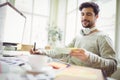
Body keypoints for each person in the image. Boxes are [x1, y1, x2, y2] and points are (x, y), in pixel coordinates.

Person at [30, 2, 117, 77]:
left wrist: (89, 57)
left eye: (89, 14)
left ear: (97, 16)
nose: (84, 18)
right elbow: (62, 51)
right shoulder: (78, 36)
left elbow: (112, 66)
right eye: (82, 14)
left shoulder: (103, 37)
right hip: (69, 72)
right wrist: (42, 52)